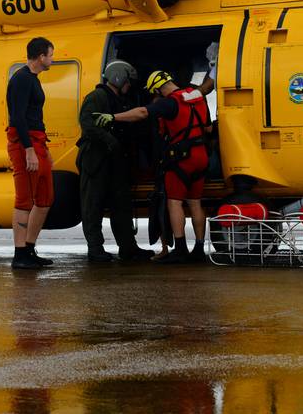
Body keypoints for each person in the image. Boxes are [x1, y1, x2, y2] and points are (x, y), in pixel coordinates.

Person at [94, 70, 211, 264]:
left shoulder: (169, 102)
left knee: (174, 203)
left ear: (158, 87)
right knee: (195, 203)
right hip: (201, 155)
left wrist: (113, 117)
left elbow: (142, 113)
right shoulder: (196, 96)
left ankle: (181, 249)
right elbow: (208, 128)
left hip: (182, 159)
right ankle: (199, 249)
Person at [77, 60, 155, 262]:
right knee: (92, 205)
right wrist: (110, 141)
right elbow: (88, 124)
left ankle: (128, 248)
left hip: (117, 161)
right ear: (118, 77)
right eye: (128, 81)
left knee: (122, 205)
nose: (129, 86)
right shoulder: (97, 97)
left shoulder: (121, 100)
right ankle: (95, 249)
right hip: (96, 160)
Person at [6, 37, 55, 269]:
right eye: (51, 55)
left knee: (45, 199)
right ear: (41, 56)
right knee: (24, 198)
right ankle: (20, 254)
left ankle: (29, 248)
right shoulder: (21, 80)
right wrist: (29, 151)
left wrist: (43, 150)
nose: (52, 59)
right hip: (25, 143)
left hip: (38, 141)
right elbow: (17, 117)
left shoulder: (33, 79)